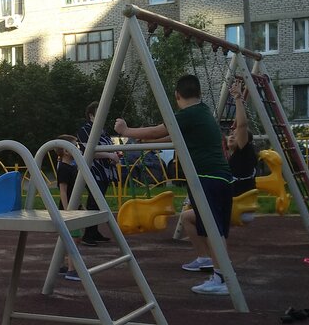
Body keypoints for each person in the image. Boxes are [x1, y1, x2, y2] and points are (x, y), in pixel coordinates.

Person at [114, 74, 233, 295]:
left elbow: (160, 129)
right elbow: (170, 136)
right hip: (219, 177)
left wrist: (125, 131)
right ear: (199, 93)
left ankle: (223, 278)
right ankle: (217, 270)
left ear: (177, 95)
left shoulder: (188, 114)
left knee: (213, 230)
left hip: (208, 177)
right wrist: (147, 141)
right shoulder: (203, 111)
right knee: (207, 225)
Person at [179, 78, 257, 271]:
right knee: (188, 217)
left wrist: (238, 98)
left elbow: (241, 125)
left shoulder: (244, 151)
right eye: (230, 134)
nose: (231, 136)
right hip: (234, 200)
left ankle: (220, 269)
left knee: (210, 224)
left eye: (235, 136)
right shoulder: (227, 158)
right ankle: (206, 259)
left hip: (240, 204)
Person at [76, 101, 119, 246]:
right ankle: (88, 234)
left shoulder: (102, 130)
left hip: (104, 171)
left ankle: (93, 232)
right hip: (93, 171)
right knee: (94, 202)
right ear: (91, 115)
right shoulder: (85, 130)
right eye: (99, 113)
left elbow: (107, 146)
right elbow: (88, 151)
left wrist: (113, 155)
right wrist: (109, 155)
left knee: (97, 202)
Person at [55, 135, 83, 282]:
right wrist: (68, 210)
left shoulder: (71, 167)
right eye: (74, 146)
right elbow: (63, 191)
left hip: (74, 206)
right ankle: (72, 270)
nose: (77, 149)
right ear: (66, 151)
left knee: (66, 238)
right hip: (68, 208)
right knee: (74, 238)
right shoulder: (64, 169)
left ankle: (60, 266)